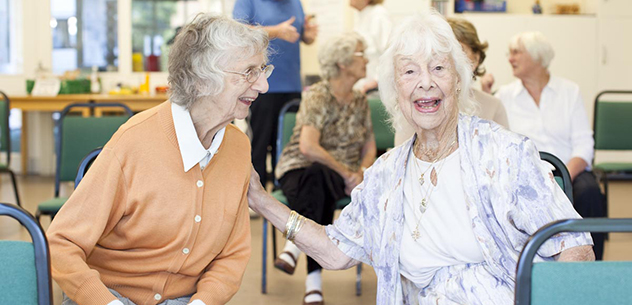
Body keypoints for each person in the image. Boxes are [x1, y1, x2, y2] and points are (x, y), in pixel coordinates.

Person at [247, 10, 595, 304]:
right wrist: (261, 201)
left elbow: (575, 245)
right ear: (394, 90)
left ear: (459, 80)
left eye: (438, 69)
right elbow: (337, 250)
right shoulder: (385, 174)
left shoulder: (505, 154)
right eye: (410, 71)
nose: (425, 82)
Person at [47, 14, 272, 305]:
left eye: (263, 70)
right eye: (249, 72)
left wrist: (202, 303)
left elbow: (232, 254)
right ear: (203, 79)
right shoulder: (134, 141)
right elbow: (61, 243)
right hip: (109, 297)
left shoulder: (239, 148)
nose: (263, 86)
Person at [272, 33, 377, 305]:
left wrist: (361, 173)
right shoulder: (318, 94)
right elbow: (308, 148)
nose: (366, 58)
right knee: (318, 177)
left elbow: (369, 148)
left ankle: (295, 248)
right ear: (342, 63)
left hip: (339, 178)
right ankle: (312, 279)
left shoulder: (360, 101)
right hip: (299, 170)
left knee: (322, 183)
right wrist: (347, 173)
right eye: (360, 53)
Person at [495, 31, 606, 260]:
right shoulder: (503, 96)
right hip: (525, 173)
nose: (510, 58)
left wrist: (564, 175)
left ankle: (594, 270)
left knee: (591, 193)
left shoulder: (569, 91)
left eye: (516, 52)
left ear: (537, 57)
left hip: (568, 169)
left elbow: (584, 143)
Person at [233, 0, 318, 189]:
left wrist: (309, 36)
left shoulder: (295, 2)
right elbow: (239, 34)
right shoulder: (248, 2)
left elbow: (302, 35)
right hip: (261, 85)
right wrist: (276, 31)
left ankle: (285, 192)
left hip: (292, 84)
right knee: (260, 143)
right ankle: (255, 193)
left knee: (289, 144)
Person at [394, 17, 508, 145]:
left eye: (460, 50)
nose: (454, 58)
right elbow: (404, 153)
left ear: (476, 59)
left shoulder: (493, 106)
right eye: (443, 52)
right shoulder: (419, 104)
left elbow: (504, 157)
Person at [350, 0, 392, 94]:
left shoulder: (379, 15)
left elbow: (389, 53)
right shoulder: (361, 15)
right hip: (363, 87)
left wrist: (377, 81)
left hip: (375, 89)